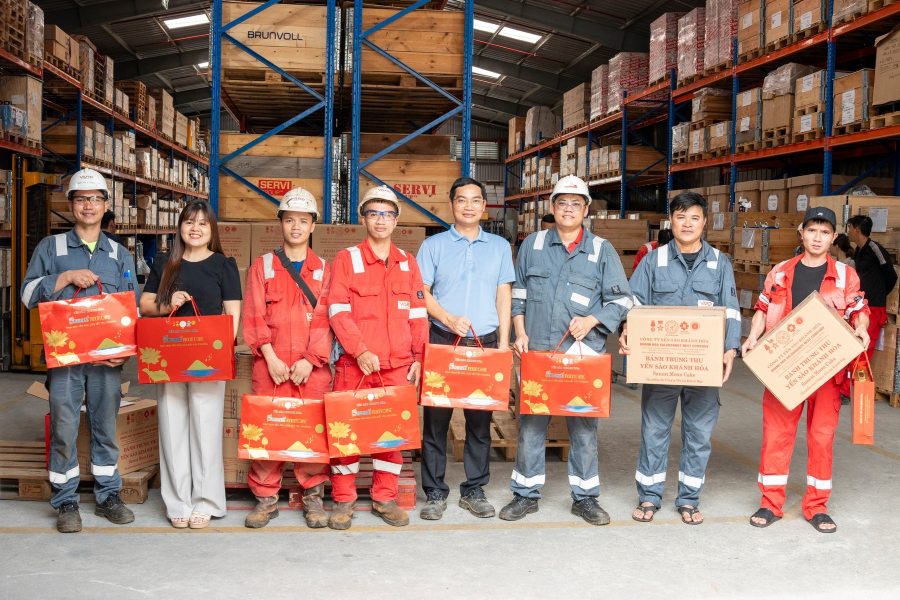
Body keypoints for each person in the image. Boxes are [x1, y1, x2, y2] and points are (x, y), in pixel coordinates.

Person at [502, 175, 633, 526]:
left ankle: (585, 498)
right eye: (563, 203)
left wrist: (592, 319)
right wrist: (519, 332)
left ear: (586, 209)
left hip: (581, 356)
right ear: (553, 207)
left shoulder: (601, 250)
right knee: (531, 425)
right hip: (539, 351)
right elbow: (520, 293)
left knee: (583, 428)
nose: (569, 209)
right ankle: (525, 495)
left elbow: (622, 299)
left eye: (577, 204)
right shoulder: (534, 244)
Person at [21, 168, 137, 533]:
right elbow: (26, 295)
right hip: (66, 362)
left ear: (106, 206)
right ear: (71, 205)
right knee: (64, 426)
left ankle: (108, 495)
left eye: (96, 199)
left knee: (105, 426)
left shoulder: (119, 254)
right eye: (82, 198)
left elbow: (130, 309)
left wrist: (128, 351)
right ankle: (66, 499)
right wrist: (64, 278)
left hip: (106, 361)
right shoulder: (50, 248)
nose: (89, 205)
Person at [742, 207, 870, 534]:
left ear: (833, 237)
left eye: (824, 232)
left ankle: (816, 506)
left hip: (826, 369)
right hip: (784, 366)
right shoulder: (781, 271)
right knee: (776, 434)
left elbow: (859, 308)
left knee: (822, 437)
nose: (817, 237)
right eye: (812, 230)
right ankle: (770, 503)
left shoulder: (845, 274)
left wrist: (863, 327)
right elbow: (762, 307)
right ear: (801, 232)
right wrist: (753, 337)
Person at [620, 192, 741, 525]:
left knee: (699, 433)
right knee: (655, 429)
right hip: (662, 364)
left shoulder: (720, 262)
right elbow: (633, 303)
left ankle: (689, 498)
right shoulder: (653, 260)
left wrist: (730, 348)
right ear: (670, 221)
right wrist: (627, 329)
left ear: (704, 222)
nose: (687, 224)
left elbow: (730, 309)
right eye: (680, 217)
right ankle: (649, 496)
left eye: (694, 218)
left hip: (703, 364)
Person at [321, 185, 428, 529]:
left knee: (391, 435)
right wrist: (360, 350)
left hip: (397, 366)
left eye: (388, 214)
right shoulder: (346, 259)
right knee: (346, 435)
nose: (381, 220)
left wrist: (418, 357)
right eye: (374, 213)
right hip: (355, 366)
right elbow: (336, 310)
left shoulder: (407, 262)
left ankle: (385, 498)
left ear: (396, 220)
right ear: (363, 218)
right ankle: (343, 501)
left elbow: (418, 313)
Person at [416, 177, 515, 521]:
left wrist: (503, 343)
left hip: (485, 342)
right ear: (452, 205)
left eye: (475, 200)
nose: (469, 206)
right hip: (444, 340)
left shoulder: (500, 246)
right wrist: (446, 316)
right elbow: (421, 293)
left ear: (484, 207)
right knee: (436, 422)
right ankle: (434, 492)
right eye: (462, 200)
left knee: (479, 423)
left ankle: (474, 489)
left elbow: (504, 293)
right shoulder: (434, 246)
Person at [139, 200, 242, 530]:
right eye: (189, 222)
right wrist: (168, 302)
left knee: (205, 427)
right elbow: (145, 304)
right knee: (172, 427)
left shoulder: (223, 265)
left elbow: (232, 314)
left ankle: (206, 500)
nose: (195, 228)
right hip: (170, 357)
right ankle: (178, 500)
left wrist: (221, 351)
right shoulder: (166, 263)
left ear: (211, 230)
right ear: (180, 226)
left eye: (202, 223)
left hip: (207, 358)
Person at [241, 188, 334, 529]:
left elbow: (328, 320)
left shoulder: (326, 270)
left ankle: (312, 499)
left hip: (312, 369)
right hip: (272, 366)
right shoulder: (262, 267)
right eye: (290, 220)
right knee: (268, 429)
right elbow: (252, 316)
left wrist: (311, 359)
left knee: (313, 430)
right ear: (281, 223)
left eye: (303, 221)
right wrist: (270, 356)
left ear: (313, 226)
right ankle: (266, 500)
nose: (296, 227)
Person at [846, 215, 896, 363]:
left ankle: (862, 384)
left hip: (874, 306)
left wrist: (879, 293)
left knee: (864, 349)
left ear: (856, 229)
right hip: (861, 306)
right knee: (856, 346)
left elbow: (891, 275)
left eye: (849, 228)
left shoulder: (874, 248)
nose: (848, 231)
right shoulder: (858, 251)